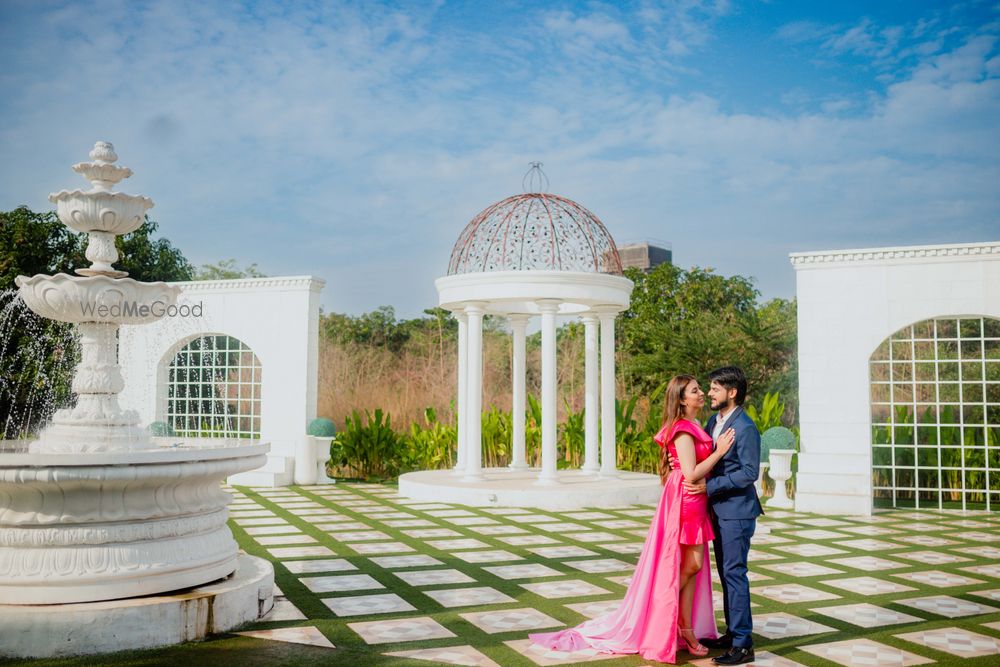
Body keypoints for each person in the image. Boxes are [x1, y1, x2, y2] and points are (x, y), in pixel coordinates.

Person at [529, 374, 734, 663]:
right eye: (695, 390)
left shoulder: (696, 424)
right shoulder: (683, 430)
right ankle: (661, 614)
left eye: (700, 389)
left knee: (693, 567)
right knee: (691, 565)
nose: (702, 393)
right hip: (686, 500)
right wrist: (720, 452)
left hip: (696, 501)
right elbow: (690, 473)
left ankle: (683, 626)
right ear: (682, 399)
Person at [681, 366, 763, 666]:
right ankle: (732, 633)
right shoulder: (712, 421)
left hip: (737, 513)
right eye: (709, 387)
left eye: (715, 388)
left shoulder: (746, 427)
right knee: (727, 575)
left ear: (732, 392)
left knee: (734, 574)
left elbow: (749, 473)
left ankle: (743, 644)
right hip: (716, 511)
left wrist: (709, 485)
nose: (710, 392)